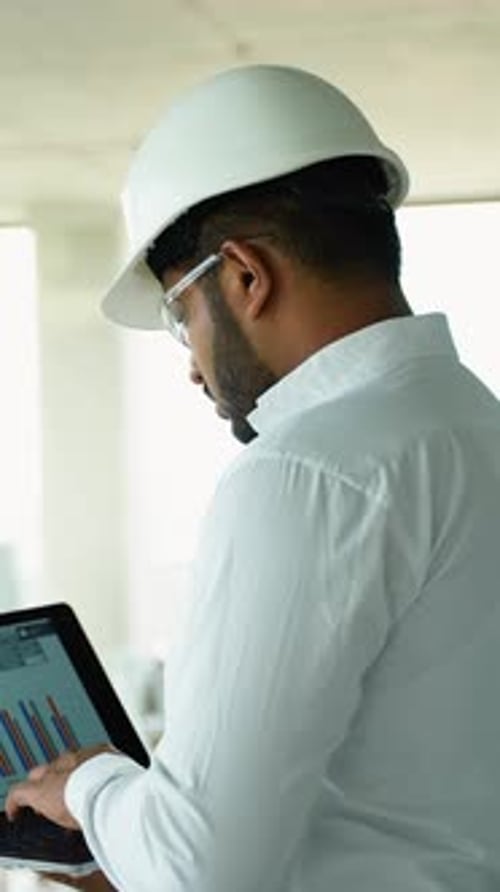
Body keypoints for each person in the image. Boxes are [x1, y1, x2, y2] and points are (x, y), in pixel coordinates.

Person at [7, 64, 500, 891]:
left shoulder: (305, 471)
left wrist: (89, 787)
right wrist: (132, 844)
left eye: (179, 316)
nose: (194, 367)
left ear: (243, 274)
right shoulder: (472, 424)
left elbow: (199, 871)